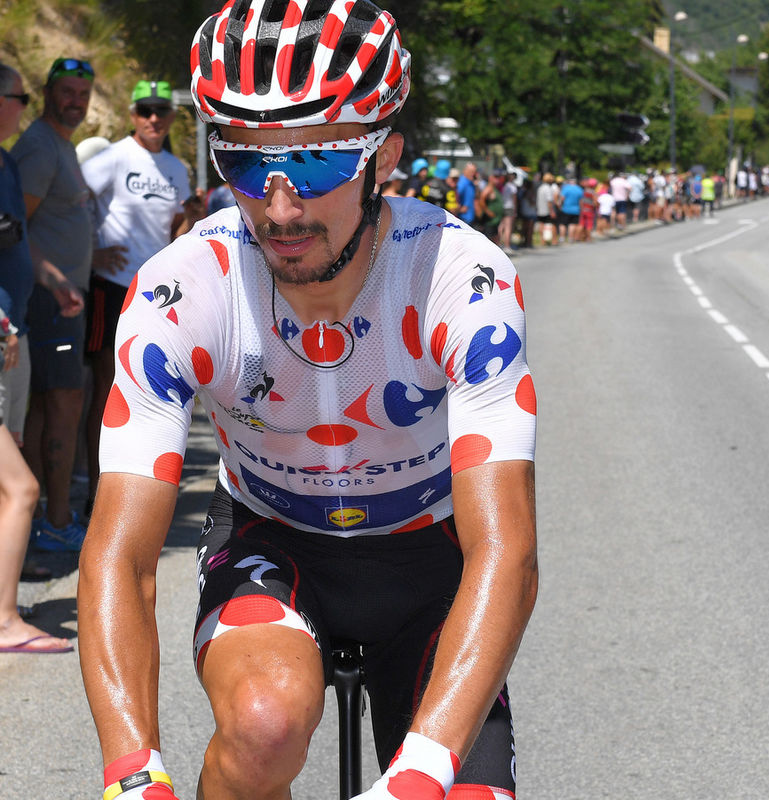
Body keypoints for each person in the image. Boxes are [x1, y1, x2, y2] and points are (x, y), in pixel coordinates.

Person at [78, 3, 536, 800]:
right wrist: (132, 774)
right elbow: (120, 556)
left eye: (318, 163)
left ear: (383, 157)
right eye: (245, 163)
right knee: (263, 726)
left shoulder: (458, 277)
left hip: (431, 555)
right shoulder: (183, 289)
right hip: (271, 540)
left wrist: (423, 774)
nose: (280, 207)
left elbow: (507, 549)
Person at [81, 79, 200, 518]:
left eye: (161, 111)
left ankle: (139, 492)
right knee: (108, 388)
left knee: (154, 390)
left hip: (156, 295)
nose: (153, 118)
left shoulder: (176, 168)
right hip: (111, 286)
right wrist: (89, 252)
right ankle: (97, 492)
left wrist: (189, 223)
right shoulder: (113, 157)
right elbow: (68, 203)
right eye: (145, 111)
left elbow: (175, 230)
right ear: (132, 115)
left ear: (171, 115)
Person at [11, 57, 91, 552]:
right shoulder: (40, 146)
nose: (75, 102)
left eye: (83, 94)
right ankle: (56, 521)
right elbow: (16, 228)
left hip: (62, 298)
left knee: (49, 406)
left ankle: (43, 520)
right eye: (67, 92)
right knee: (62, 403)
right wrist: (56, 278)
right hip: (47, 301)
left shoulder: (61, 144)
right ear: (45, 93)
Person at [0, 61, 66, 653]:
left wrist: (49, 279)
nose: (24, 108)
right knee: (18, 488)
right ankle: (5, 620)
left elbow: (16, 243)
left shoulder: (6, 162)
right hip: (2, 333)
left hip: (11, 332)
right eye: (19, 97)